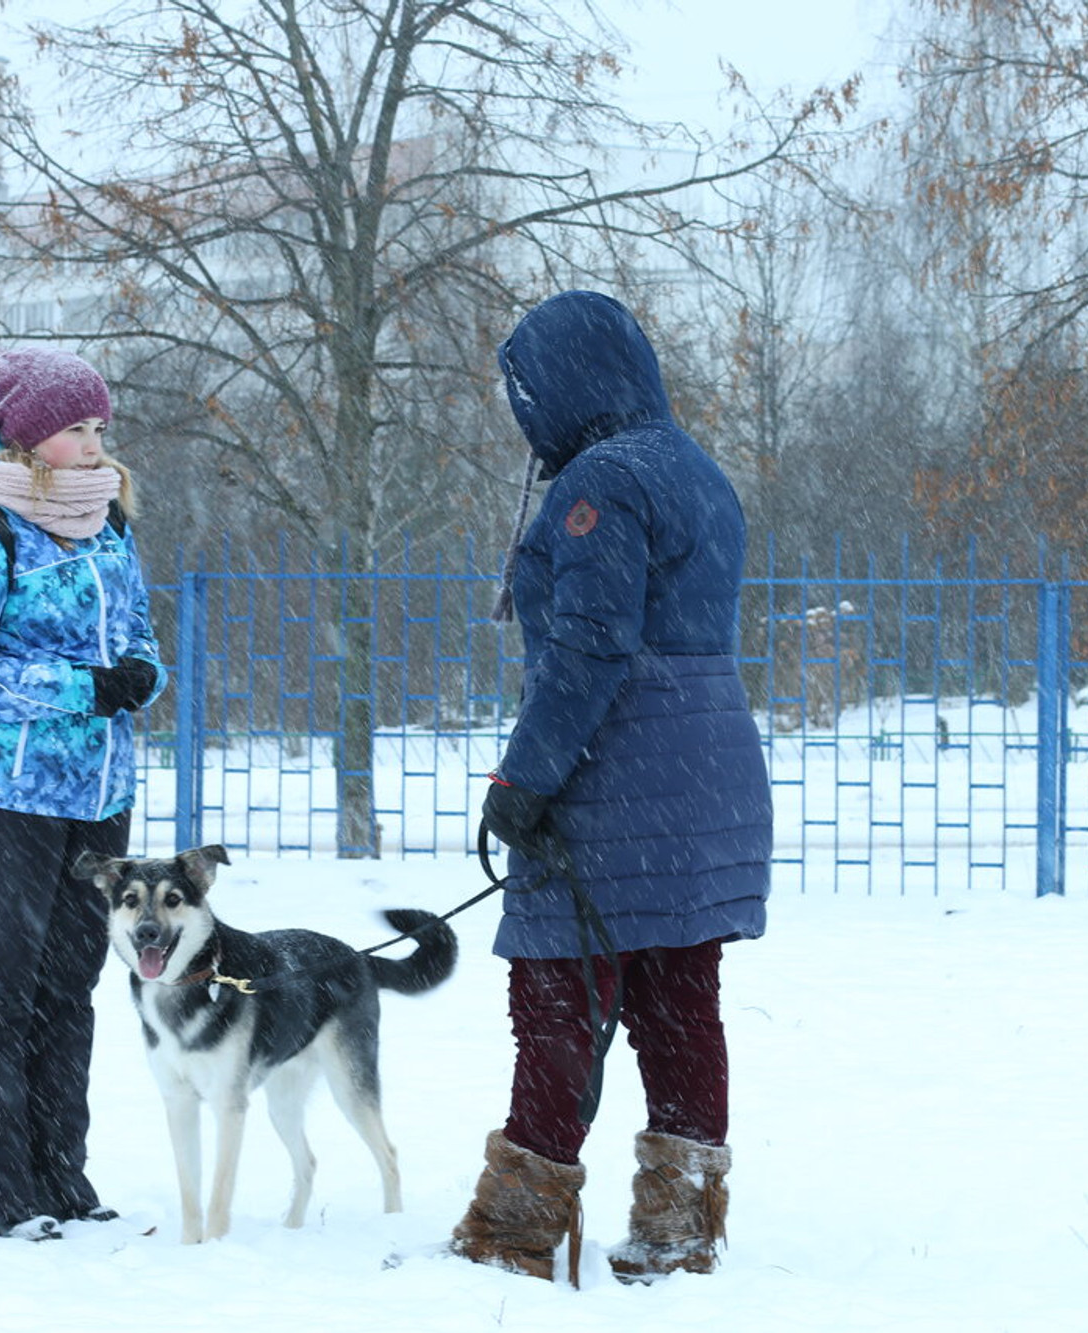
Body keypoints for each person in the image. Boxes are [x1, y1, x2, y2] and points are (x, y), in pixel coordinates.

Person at [448, 291, 772, 1285]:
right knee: (679, 1003)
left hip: (613, 776)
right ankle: (678, 1226)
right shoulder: (697, 472)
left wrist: (524, 776)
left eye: (528, 388)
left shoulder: (598, 481)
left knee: (556, 1000)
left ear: (568, 380)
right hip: (706, 777)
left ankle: (514, 1233)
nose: (524, 411)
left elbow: (591, 645)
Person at [0, 345, 166, 1242]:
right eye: (75, 429)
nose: (94, 444)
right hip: (1, 793)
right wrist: (78, 688)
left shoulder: (109, 528)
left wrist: (142, 674)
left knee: (70, 988)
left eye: (100, 426)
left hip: (97, 793)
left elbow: (138, 634)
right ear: (27, 440)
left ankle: (60, 1177)